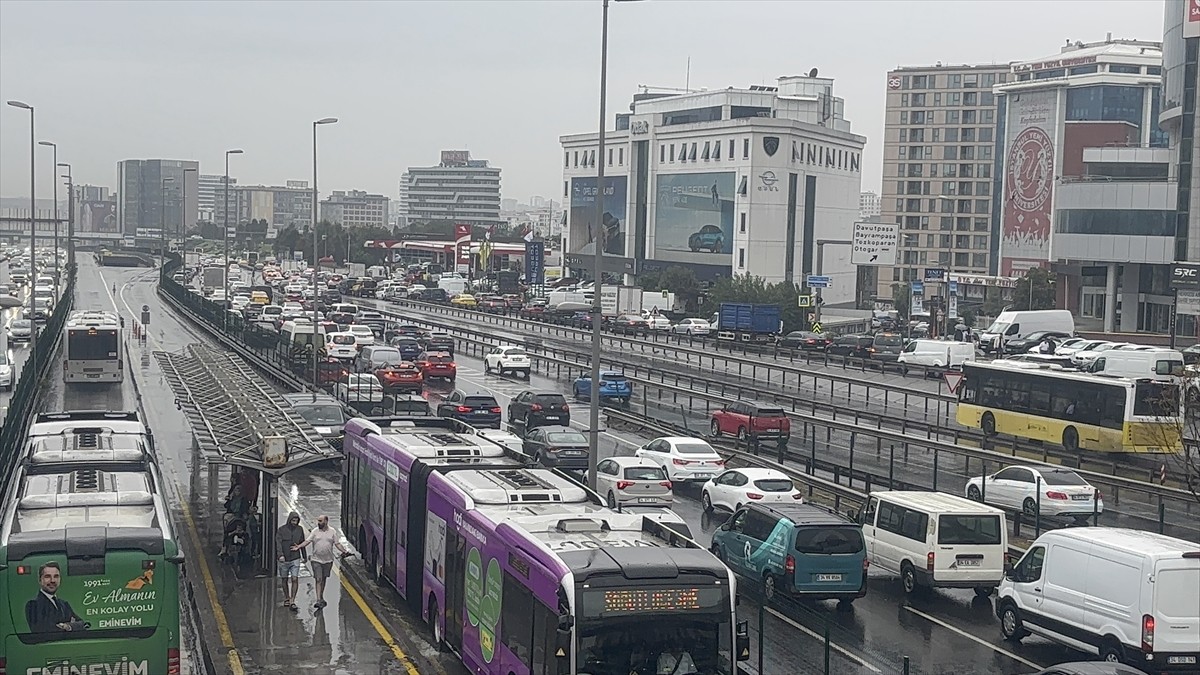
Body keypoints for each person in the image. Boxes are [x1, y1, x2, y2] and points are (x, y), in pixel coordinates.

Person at [292, 514, 348, 609]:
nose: (319, 523)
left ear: (326, 521)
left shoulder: (332, 531)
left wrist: (344, 551)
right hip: (316, 560)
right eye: (318, 521)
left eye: (321, 521)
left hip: (328, 560)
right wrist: (299, 546)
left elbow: (337, 543)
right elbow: (308, 541)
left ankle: (321, 596)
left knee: (324, 578)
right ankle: (318, 599)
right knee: (318, 579)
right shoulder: (315, 531)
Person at [25, 562, 86, 633]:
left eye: (56, 576)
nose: (52, 580)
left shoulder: (64, 604)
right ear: (40, 580)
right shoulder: (33, 606)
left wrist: (67, 626)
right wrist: (71, 625)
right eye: (47, 576)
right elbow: (42, 630)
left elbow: (82, 624)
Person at [276, 511, 306, 610]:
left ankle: (292, 599)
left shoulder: (300, 530)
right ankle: (287, 598)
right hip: (284, 558)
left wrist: (304, 556)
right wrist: (280, 555)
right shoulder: (281, 530)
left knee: (294, 578)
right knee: (284, 579)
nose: (294, 522)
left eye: (296, 521)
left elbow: (302, 542)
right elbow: (278, 543)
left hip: (295, 558)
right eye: (293, 520)